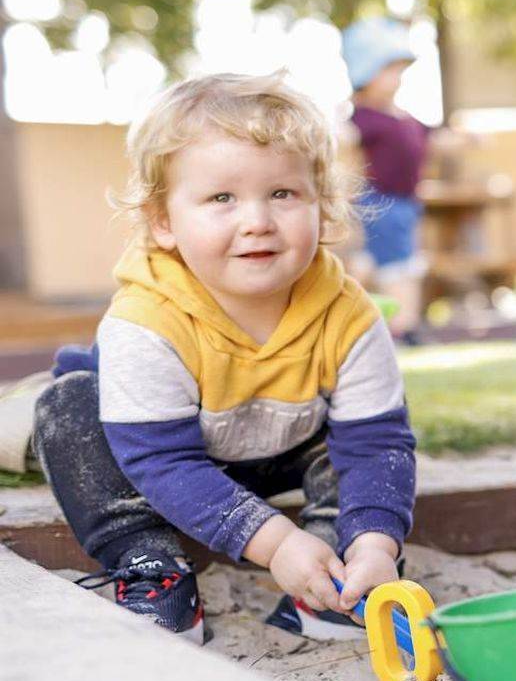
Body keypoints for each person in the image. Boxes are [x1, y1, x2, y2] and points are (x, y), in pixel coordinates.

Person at [31, 72, 416, 642]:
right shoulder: (145, 321)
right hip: (161, 460)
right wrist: (275, 541)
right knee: (67, 410)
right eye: (221, 198)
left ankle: (341, 578)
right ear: (164, 221)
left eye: (283, 194)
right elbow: (163, 463)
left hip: (282, 447)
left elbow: (376, 445)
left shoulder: (348, 315)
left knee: (353, 454)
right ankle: (150, 565)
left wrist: (377, 544)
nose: (257, 220)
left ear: (322, 206)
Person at [342, 17, 431, 340]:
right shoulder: (365, 119)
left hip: (406, 202)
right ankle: (404, 327)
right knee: (398, 267)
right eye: (390, 72)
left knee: (383, 264)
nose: (397, 80)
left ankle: (385, 323)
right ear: (366, 76)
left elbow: (431, 136)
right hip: (381, 202)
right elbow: (344, 142)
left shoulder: (402, 118)